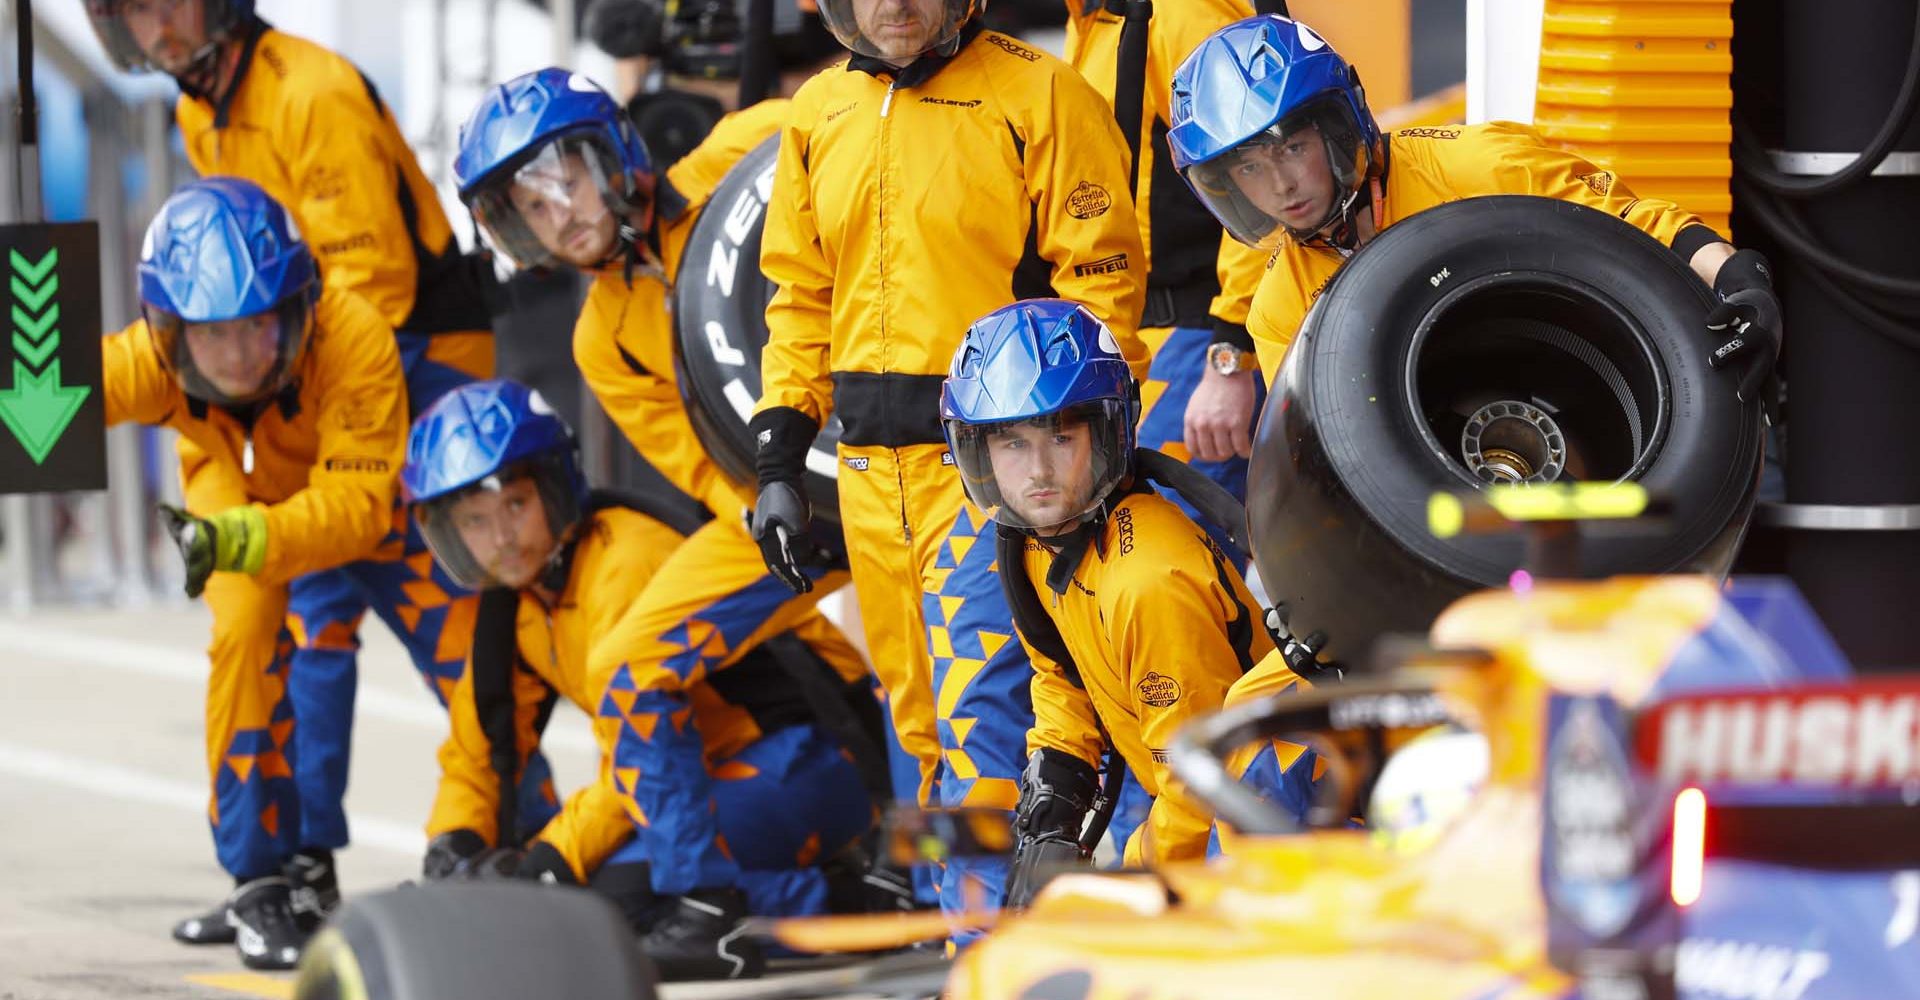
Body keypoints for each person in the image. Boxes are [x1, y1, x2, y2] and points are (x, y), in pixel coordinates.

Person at [84, 0, 507, 939]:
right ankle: (290, 866)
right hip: (267, 369)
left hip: (399, 362)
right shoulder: (201, 108)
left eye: (167, 7)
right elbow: (71, 376)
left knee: (457, 622)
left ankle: (511, 841)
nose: (153, 34)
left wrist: (274, 501)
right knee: (286, 628)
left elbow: (369, 296)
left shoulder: (311, 92)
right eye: (127, 15)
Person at [451, 64, 910, 919]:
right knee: (628, 668)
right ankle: (703, 899)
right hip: (782, 509)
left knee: (933, 688)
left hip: (908, 455)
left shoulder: (747, 144)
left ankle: (943, 885)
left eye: (564, 186)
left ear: (609, 153)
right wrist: (768, 506)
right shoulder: (600, 338)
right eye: (534, 213)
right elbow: (695, 460)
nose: (562, 219)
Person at [745, 0, 1151, 921]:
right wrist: (778, 457)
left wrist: (1063, 458)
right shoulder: (816, 113)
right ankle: (949, 926)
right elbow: (801, 299)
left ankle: (988, 949)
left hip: (994, 474)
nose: (895, 5)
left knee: (986, 716)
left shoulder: (1040, 93)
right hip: (866, 477)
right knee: (913, 719)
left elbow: (1104, 285)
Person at [402, 379, 880, 981]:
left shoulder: (622, 560)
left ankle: (853, 901)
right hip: (697, 781)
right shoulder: (518, 602)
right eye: (474, 521)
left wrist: (549, 859)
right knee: (594, 898)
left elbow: (637, 757)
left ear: (553, 485)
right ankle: (795, 887)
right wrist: (454, 845)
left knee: (606, 905)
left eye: (515, 506)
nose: (500, 539)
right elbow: (478, 746)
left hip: (810, 756)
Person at [103, 177, 409, 969]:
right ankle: (258, 879)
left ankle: (485, 844)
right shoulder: (147, 360)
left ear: (298, 306)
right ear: (169, 334)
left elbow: (358, 506)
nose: (239, 357)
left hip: (345, 493)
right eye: (212, 335)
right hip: (230, 488)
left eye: (258, 326)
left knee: (373, 633)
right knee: (246, 634)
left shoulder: (354, 336)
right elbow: (34, 405)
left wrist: (246, 539)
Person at [1165, 14, 1782, 397]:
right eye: (1248, 167)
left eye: (1291, 148)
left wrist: (1738, 278)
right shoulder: (1277, 307)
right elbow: (1314, 449)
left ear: (1336, 127)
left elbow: (1640, 226)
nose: (1280, 186)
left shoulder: (1480, 164)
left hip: (1573, 392)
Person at [938, 299, 1317, 903]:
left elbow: (1202, 781)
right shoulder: (1042, 537)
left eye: (1062, 437)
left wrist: (1126, 879)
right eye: (1012, 444)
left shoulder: (1147, 579)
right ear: (978, 454)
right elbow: (1058, 671)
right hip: (1208, 810)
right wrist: (1053, 800)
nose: (1039, 470)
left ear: (1109, 432)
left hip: (1273, 832)